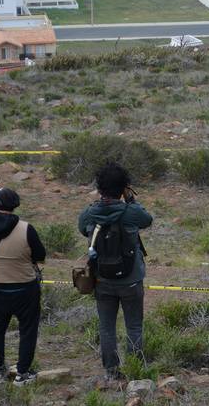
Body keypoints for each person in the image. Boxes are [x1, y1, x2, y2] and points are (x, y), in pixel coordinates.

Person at [78, 162, 153, 381]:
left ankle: (111, 371)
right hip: (131, 279)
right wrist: (130, 199)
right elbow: (147, 220)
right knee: (134, 326)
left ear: (100, 188)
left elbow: (83, 229)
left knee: (107, 327)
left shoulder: (90, 213)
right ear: (123, 187)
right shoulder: (130, 213)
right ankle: (135, 369)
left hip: (102, 280)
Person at [0, 187, 46, 386]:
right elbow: (40, 255)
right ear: (14, 206)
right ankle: (23, 373)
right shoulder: (26, 228)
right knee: (28, 331)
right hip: (25, 289)